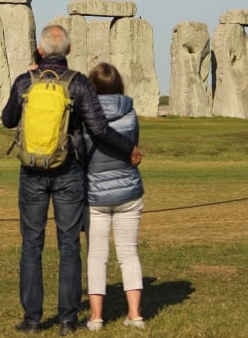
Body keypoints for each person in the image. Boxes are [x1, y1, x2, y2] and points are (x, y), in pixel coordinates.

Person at [1, 25, 141, 336]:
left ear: (40, 50)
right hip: (68, 172)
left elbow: (8, 119)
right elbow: (100, 129)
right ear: (69, 49)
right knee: (68, 245)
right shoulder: (78, 84)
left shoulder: (25, 81)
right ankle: (67, 320)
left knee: (31, 245)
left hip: (32, 171)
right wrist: (129, 148)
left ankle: (32, 320)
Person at [83, 62, 146, 331]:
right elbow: (133, 148)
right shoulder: (130, 113)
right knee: (128, 254)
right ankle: (135, 314)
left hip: (95, 192)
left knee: (97, 256)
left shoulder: (85, 116)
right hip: (128, 190)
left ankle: (96, 317)